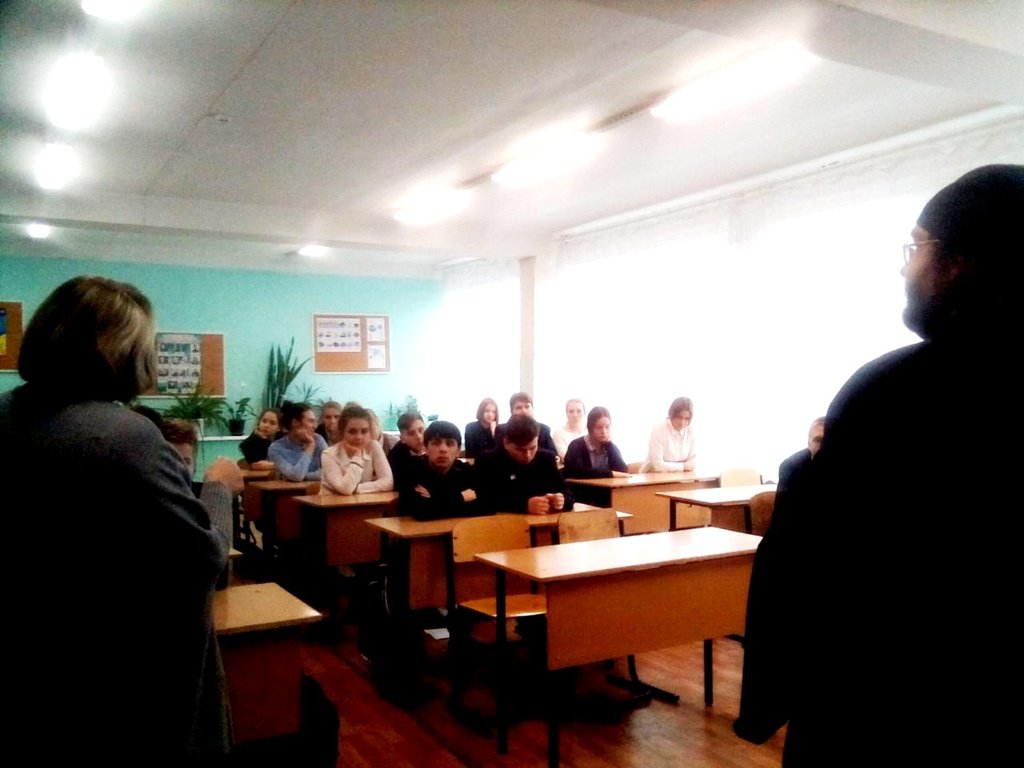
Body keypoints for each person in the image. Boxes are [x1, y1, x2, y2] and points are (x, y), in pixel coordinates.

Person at [733, 165, 1023, 766]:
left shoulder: (892, 391)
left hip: (882, 708)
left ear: (959, 262)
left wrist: (806, 468)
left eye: (917, 247)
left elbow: (815, 568)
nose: (905, 267)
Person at [0, 275, 243, 761]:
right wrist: (218, 487)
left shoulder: (8, 413)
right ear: (123, 351)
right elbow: (204, 558)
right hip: (128, 675)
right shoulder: (125, 436)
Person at [476, 413, 573, 514]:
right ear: (506, 443)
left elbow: (568, 493)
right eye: (520, 450)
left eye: (533, 448)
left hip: (544, 521)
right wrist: (524, 505)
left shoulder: (546, 459)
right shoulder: (487, 461)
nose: (528, 455)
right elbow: (485, 499)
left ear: (537, 440)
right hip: (503, 522)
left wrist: (561, 500)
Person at [398, 421, 488, 521]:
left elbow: (486, 507)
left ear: (458, 451)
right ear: (425, 448)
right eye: (436, 443)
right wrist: (460, 498)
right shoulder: (412, 471)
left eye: (450, 444)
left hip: (458, 529)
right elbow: (421, 511)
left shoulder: (466, 471)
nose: (443, 449)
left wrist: (434, 500)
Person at [321, 403, 394, 494]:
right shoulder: (328, 454)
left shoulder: (373, 445)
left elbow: (388, 482)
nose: (359, 437)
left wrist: (356, 488)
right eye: (352, 432)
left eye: (364, 431)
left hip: (361, 500)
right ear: (342, 432)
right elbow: (345, 489)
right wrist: (357, 455)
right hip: (332, 502)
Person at [563, 406, 630, 506]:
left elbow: (622, 471)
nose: (604, 431)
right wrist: (610, 474)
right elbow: (578, 472)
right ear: (590, 429)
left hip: (605, 495)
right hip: (581, 496)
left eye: (607, 427)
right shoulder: (577, 445)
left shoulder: (610, 447)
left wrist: (610, 446)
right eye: (599, 428)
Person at [268, 400, 327, 481]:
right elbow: (296, 476)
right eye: (311, 421)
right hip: (288, 489)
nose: (315, 426)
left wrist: (306, 477)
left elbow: (332, 470)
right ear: (295, 422)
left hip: (316, 488)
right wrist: (310, 446)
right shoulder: (276, 448)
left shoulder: (318, 439)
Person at [639, 396, 696, 472]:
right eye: (679, 417)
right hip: (652, 475)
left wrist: (685, 466)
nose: (682, 422)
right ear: (671, 414)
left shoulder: (690, 431)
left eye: (687, 418)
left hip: (680, 476)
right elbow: (658, 465)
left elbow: (692, 463)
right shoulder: (659, 429)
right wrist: (684, 466)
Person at [776, 416, 825, 492]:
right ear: (809, 443)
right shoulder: (791, 467)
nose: (823, 445)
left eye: (829, 440)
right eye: (818, 440)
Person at [386, 410, 427, 489]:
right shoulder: (395, 456)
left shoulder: (435, 443)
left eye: (421, 430)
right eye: (411, 433)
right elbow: (400, 484)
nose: (419, 436)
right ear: (402, 439)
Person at [551, 398, 587, 462]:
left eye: (579, 411)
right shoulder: (558, 433)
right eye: (571, 411)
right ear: (566, 413)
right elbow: (566, 457)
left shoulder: (590, 431)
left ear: (584, 412)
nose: (575, 415)